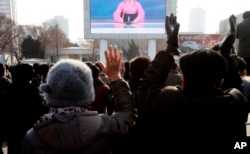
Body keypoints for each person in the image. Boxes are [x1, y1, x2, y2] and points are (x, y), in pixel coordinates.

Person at [136, 14, 249, 153]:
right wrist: (226, 53)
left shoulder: (170, 105)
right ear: (221, 81)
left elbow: (146, 87)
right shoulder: (234, 105)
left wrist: (170, 49)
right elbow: (236, 87)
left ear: (183, 79)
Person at [21, 46, 137, 154]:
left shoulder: (33, 137)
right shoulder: (106, 126)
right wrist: (116, 78)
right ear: (88, 92)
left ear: (49, 92)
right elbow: (127, 114)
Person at [2, 63, 49, 154]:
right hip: (35, 139)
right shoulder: (38, 98)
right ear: (31, 76)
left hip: (13, 139)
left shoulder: (5, 96)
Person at [236, 11, 250, 75]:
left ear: (243, 17)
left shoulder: (239, 26)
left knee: (244, 73)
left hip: (243, 54)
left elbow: (236, 36)